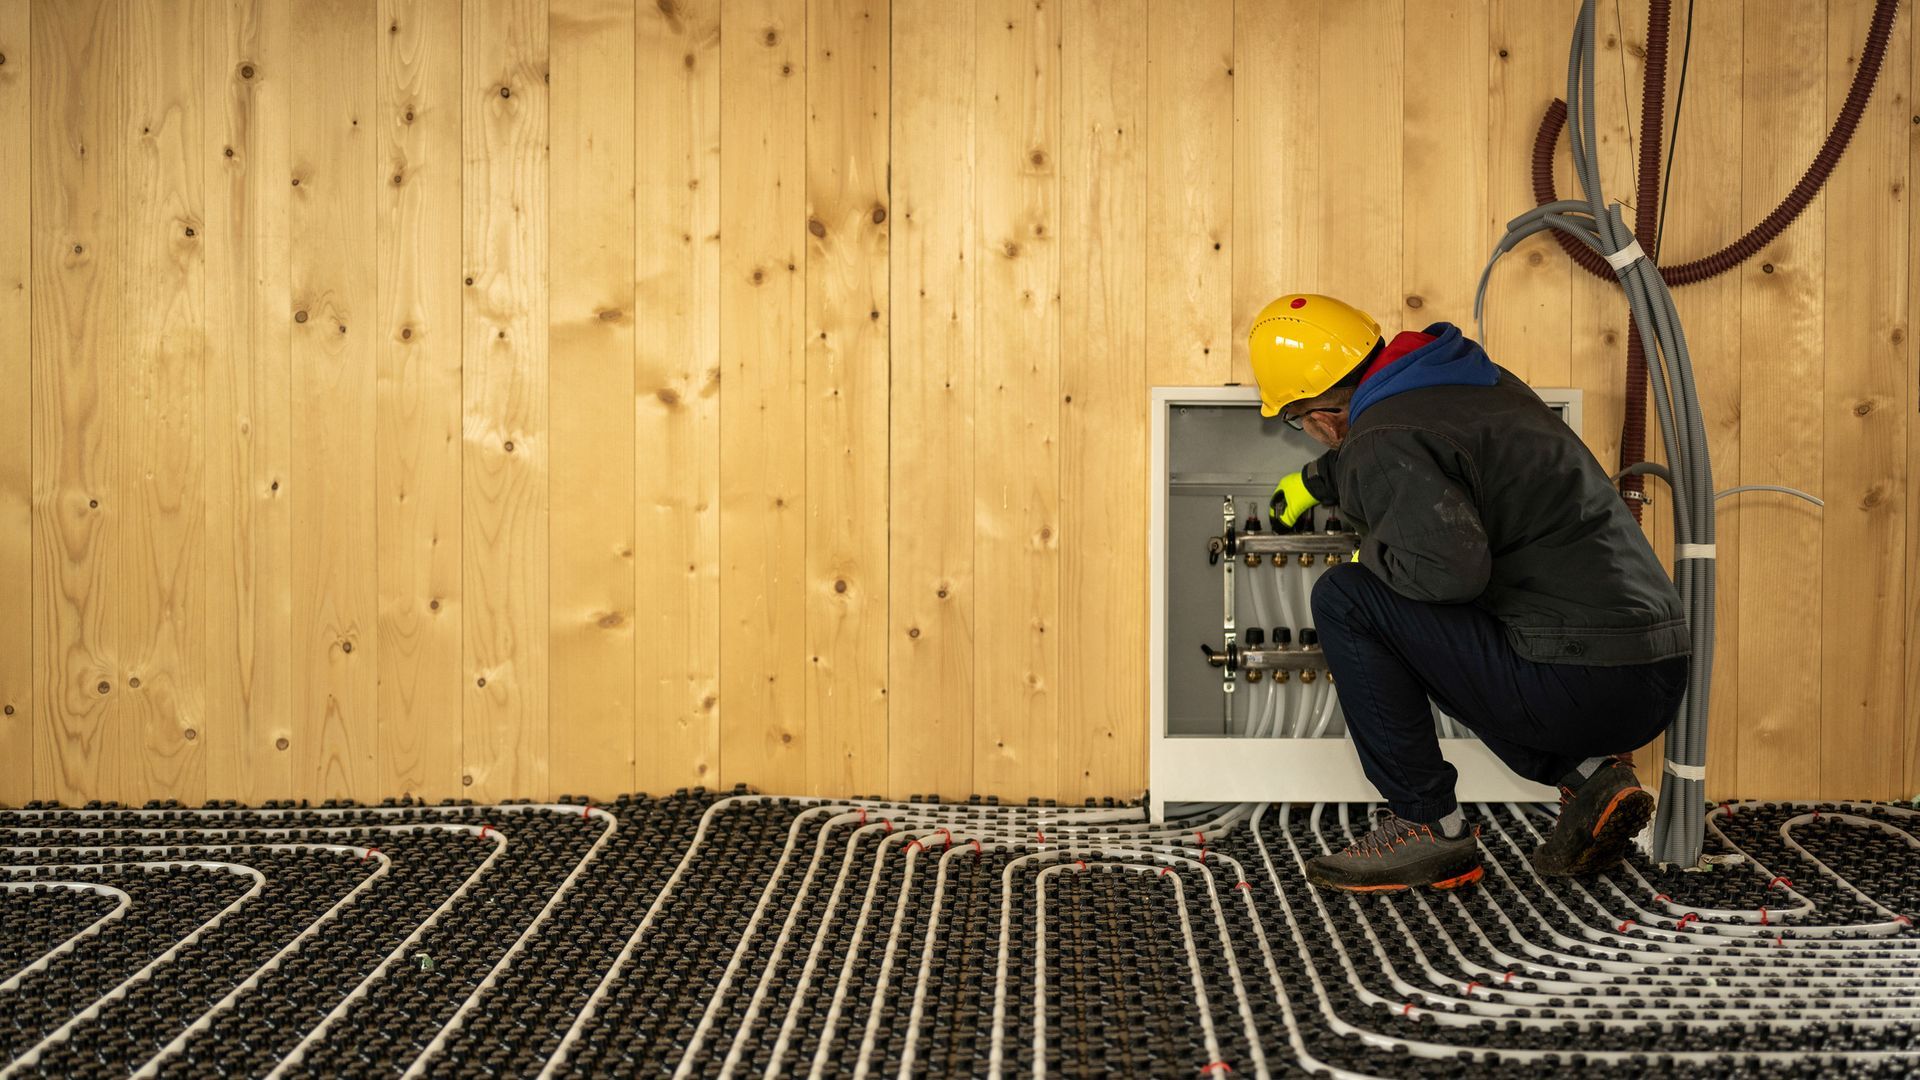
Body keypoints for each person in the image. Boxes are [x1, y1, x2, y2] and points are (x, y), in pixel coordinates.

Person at [1251, 293, 1690, 893]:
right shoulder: (1471, 380)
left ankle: (1428, 826)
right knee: (1461, 630)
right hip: (1649, 668)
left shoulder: (1381, 439)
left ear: (1320, 417)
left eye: (1298, 424)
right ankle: (1591, 779)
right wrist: (1317, 480)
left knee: (1348, 599)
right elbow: (1425, 448)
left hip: (1580, 681)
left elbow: (1444, 574)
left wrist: (1373, 555)